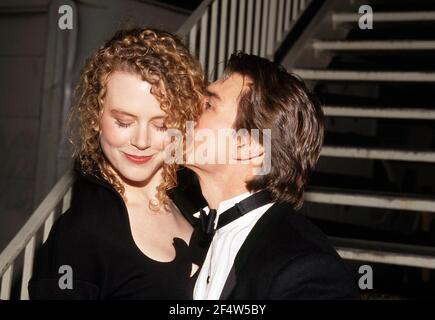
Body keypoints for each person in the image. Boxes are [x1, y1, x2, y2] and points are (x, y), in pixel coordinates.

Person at [29, 28, 207, 299]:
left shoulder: (199, 206)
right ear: (94, 118)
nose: (141, 140)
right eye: (124, 122)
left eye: (161, 125)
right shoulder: (78, 236)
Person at [186, 52, 360, 300]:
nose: (186, 109)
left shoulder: (304, 267)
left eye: (208, 105)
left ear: (248, 144)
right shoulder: (190, 226)